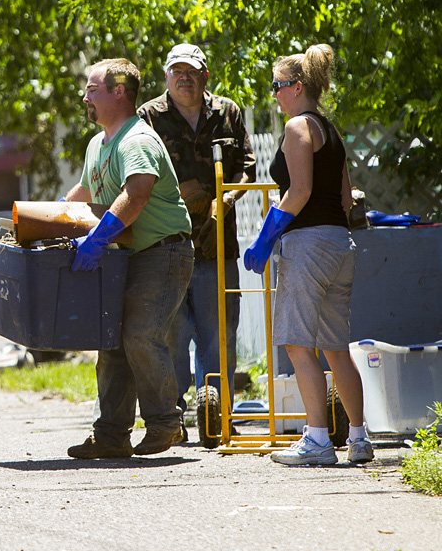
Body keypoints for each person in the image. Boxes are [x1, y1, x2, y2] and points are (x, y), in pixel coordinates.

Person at [243, 44, 373, 465]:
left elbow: (298, 191)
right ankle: (358, 439)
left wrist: (266, 238)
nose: (274, 95)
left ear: (297, 87)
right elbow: (344, 195)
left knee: (297, 344)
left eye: (277, 86)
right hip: (340, 244)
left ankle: (317, 440)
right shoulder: (331, 131)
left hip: (309, 246)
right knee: (336, 347)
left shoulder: (298, 127)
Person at [63, 58, 194, 458]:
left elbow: (136, 192)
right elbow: (83, 193)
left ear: (119, 91)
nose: (85, 96)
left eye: (92, 88)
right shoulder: (98, 142)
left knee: (140, 335)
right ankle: (111, 436)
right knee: (112, 342)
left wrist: (98, 238)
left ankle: (166, 425)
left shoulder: (136, 139)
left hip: (162, 252)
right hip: (126, 257)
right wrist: (43, 219)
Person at [137, 43, 256, 439]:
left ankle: (216, 419)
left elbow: (247, 169)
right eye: (177, 71)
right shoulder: (148, 117)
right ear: (166, 76)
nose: (184, 77)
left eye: (192, 71)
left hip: (217, 244)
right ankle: (172, 419)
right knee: (173, 334)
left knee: (219, 334)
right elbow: (136, 175)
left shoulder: (228, 112)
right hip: (167, 246)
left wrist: (227, 199)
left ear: (206, 75)